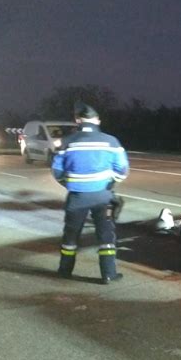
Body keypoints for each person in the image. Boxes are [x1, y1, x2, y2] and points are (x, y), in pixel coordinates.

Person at [51, 101, 129, 284]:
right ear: (97, 120)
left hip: (77, 197)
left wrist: (70, 184)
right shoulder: (111, 141)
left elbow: (57, 171)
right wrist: (109, 185)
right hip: (102, 197)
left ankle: (65, 271)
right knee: (106, 236)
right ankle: (108, 274)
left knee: (70, 237)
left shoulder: (67, 142)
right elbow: (122, 170)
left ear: (78, 120)